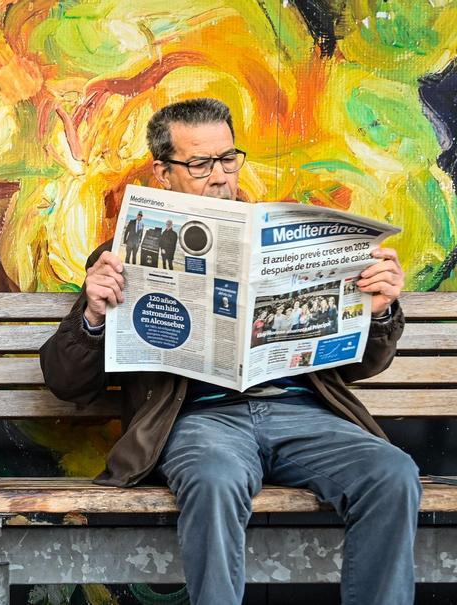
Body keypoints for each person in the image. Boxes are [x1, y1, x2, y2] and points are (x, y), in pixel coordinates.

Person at [38, 98, 418, 605]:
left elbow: (364, 364)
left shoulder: (291, 241)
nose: (218, 176)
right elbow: (66, 382)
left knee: (394, 474)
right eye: (199, 163)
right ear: (163, 172)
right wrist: (93, 315)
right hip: (201, 422)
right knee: (213, 480)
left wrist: (380, 310)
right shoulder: (120, 256)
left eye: (227, 159)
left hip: (302, 413)